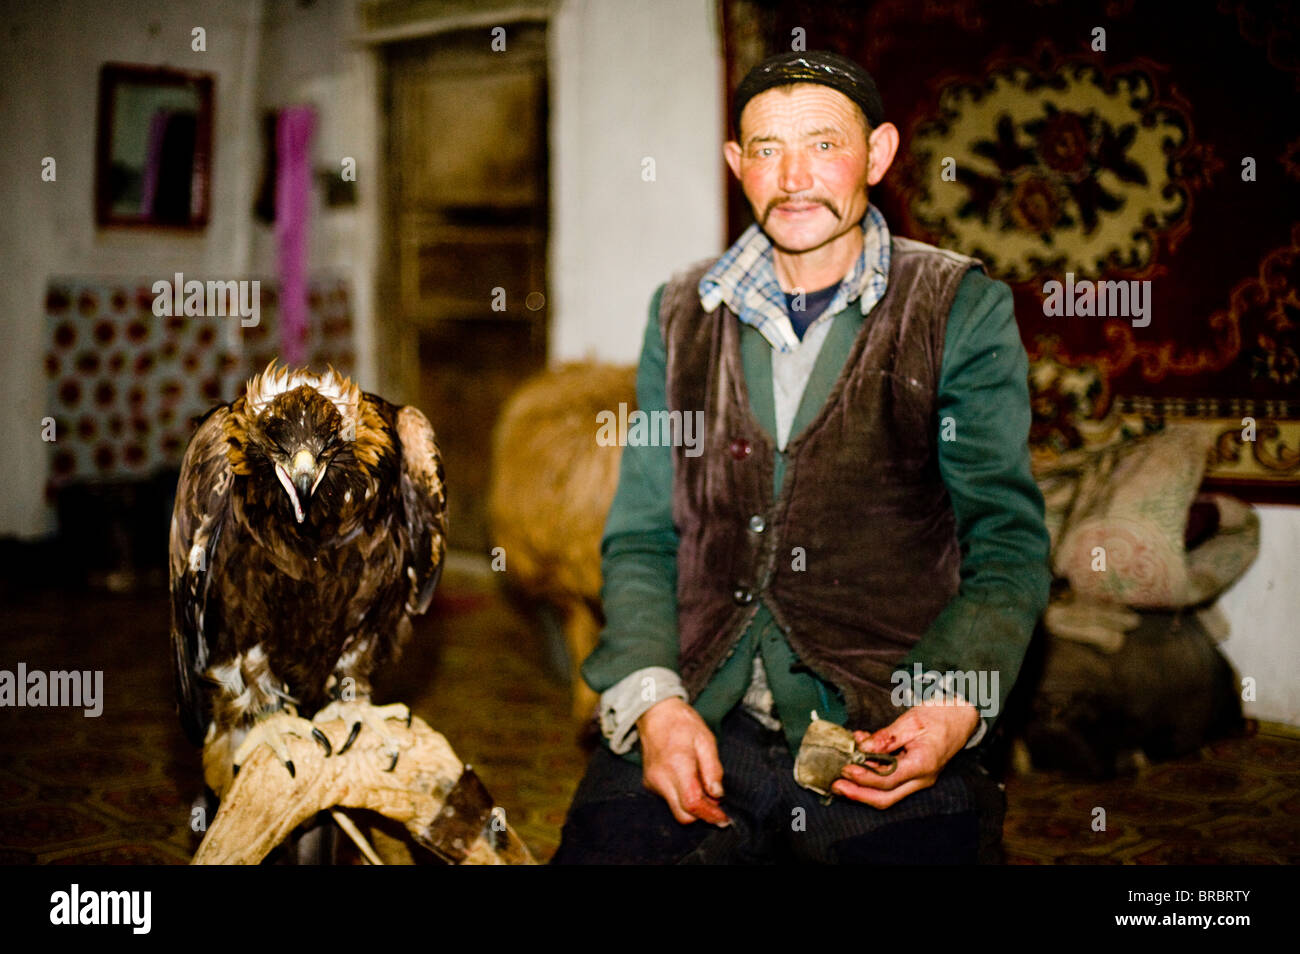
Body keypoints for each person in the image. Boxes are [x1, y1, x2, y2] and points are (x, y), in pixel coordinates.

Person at [551, 50, 1051, 864]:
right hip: (704, 714)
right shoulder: (679, 314)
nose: (793, 177)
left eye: (824, 144)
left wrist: (952, 704)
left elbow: (1007, 542)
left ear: (879, 154)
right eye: (766, 149)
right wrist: (655, 706)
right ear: (734, 164)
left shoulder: (958, 307)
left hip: (880, 721)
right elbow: (642, 536)